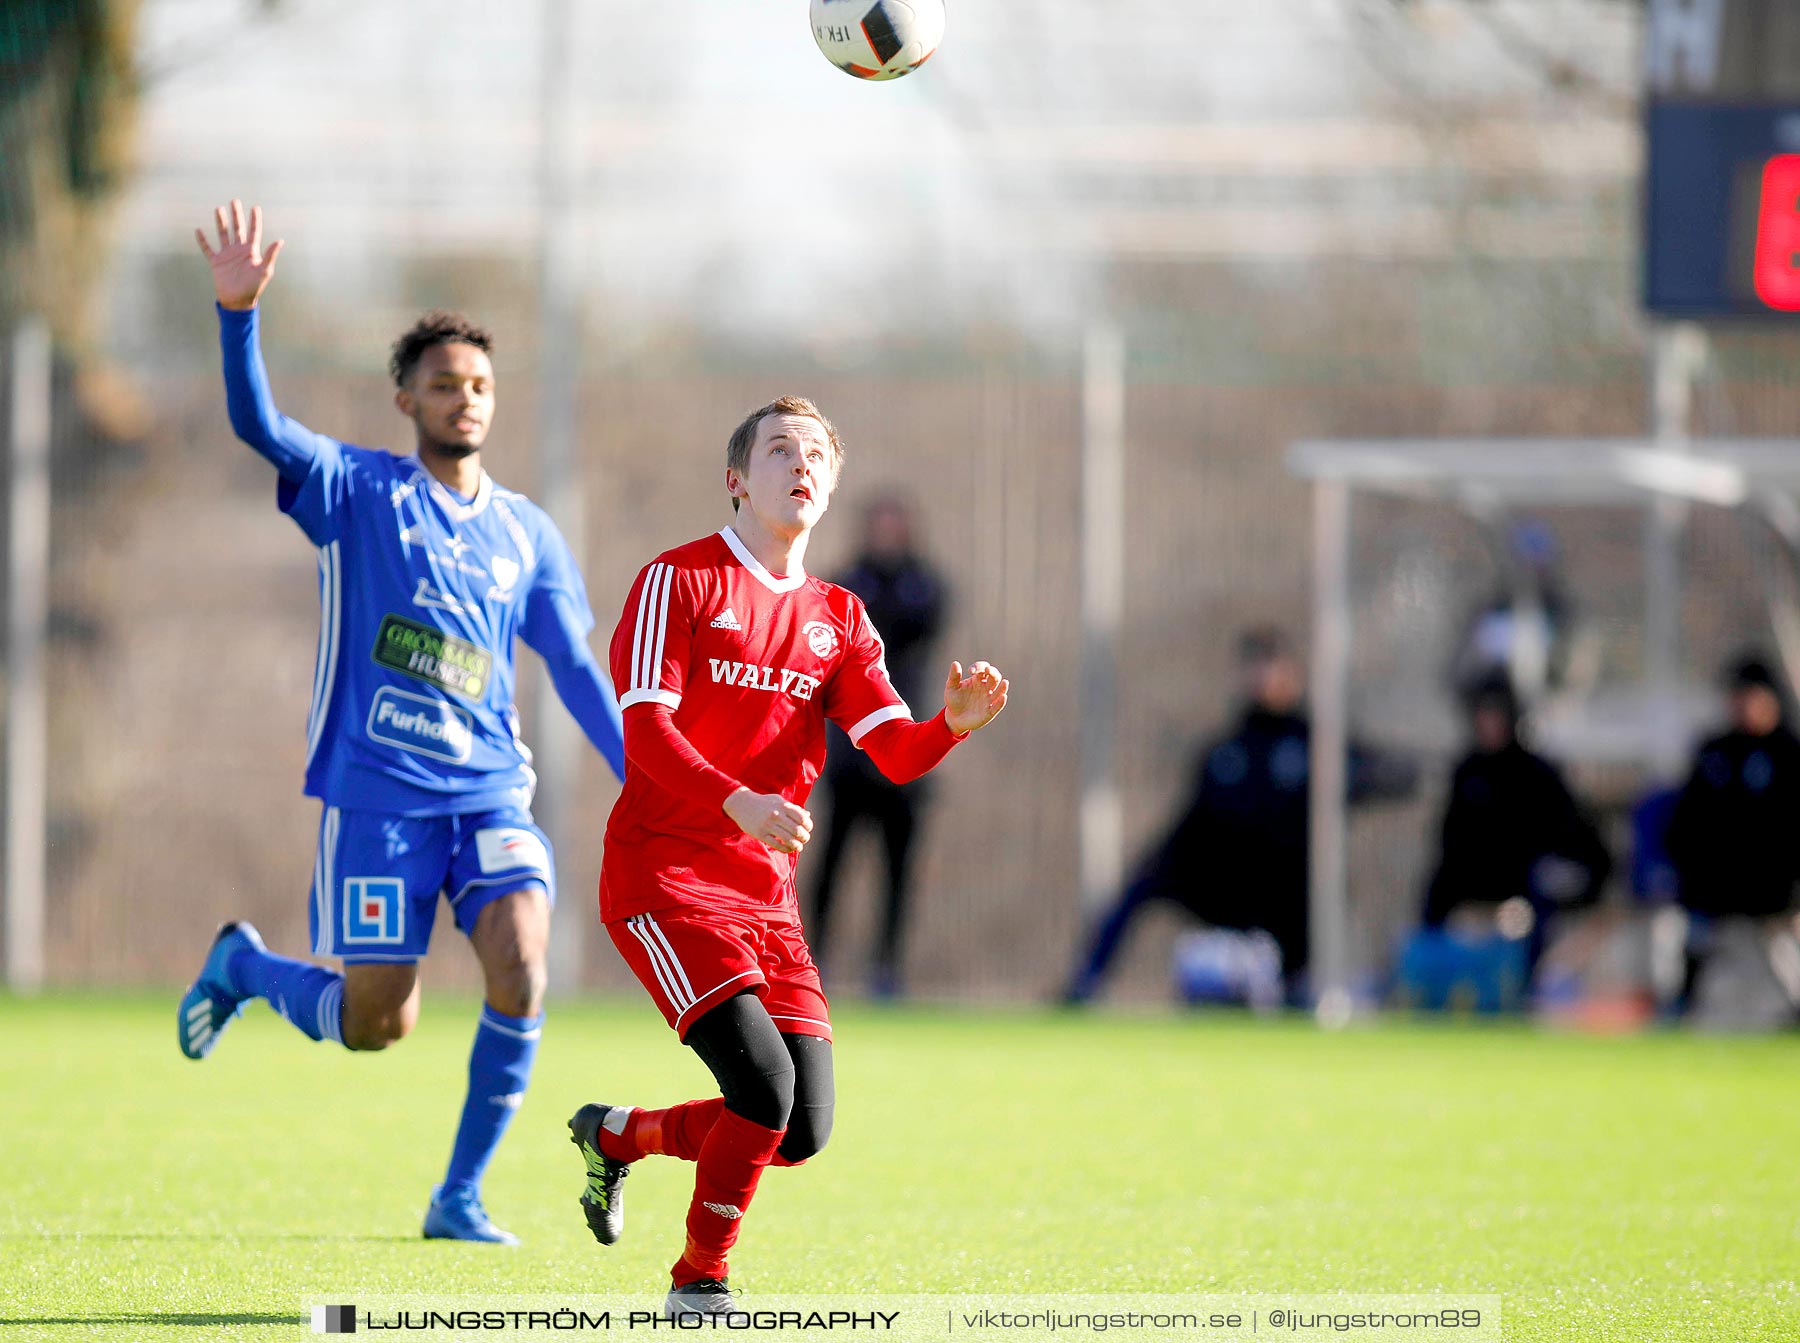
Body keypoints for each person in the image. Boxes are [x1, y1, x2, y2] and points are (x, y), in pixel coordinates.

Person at [175, 201, 626, 1245]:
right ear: (404, 398)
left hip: (488, 795)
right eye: (442, 384)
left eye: (478, 385)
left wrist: (641, 772)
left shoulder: (528, 533)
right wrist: (238, 316)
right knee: (380, 1022)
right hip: (376, 800)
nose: (463, 399)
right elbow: (259, 428)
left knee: (523, 954)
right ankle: (244, 966)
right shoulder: (356, 489)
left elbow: (573, 665)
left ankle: (459, 1195)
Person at [566, 396, 1008, 1318]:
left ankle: (618, 1136)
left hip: (764, 903)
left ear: (832, 486)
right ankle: (699, 1277)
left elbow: (891, 748)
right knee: (761, 1089)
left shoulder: (840, 616)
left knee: (800, 1128)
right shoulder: (677, 583)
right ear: (736, 478)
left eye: (815, 455)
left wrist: (949, 730)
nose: (799, 465)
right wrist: (736, 798)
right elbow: (644, 729)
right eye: (778, 450)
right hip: (663, 880)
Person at [1061, 627, 1414, 1005]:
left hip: (1292, 892)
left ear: (1291, 675)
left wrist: (1349, 780)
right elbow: (1189, 826)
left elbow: (1398, 775)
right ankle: (1086, 983)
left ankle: (1308, 984)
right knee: (1146, 878)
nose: (1263, 679)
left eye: (1271, 668)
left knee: (1312, 919)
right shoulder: (1228, 750)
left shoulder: (1317, 742)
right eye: (1255, 669)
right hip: (1231, 887)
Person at [806, 496, 948, 997]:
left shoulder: (924, 584)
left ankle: (886, 969)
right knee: (830, 866)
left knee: (897, 874)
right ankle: (811, 960)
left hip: (904, 752)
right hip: (849, 757)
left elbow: (911, 629)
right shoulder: (846, 584)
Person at [1418, 678, 1610, 982]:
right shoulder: (1468, 773)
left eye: (1497, 715)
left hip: (1529, 878)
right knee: (1435, 893)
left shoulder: (1537, 774)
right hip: (1480, 877)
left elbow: (1573, 838)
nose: (1489, 724)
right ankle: (1428, 976)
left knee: (1542, 889)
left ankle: (1529, 983)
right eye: (1483, 715)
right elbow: (1451, 840)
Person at [1666, 655, 1800, 1011]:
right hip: (1715, 910)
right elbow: (1684, 827)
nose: (1741, 704)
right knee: (1702, 1000)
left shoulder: (1789, 756)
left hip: (1775, 913)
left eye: (1750, 695)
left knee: (1783, 995)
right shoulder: (1715, 753)